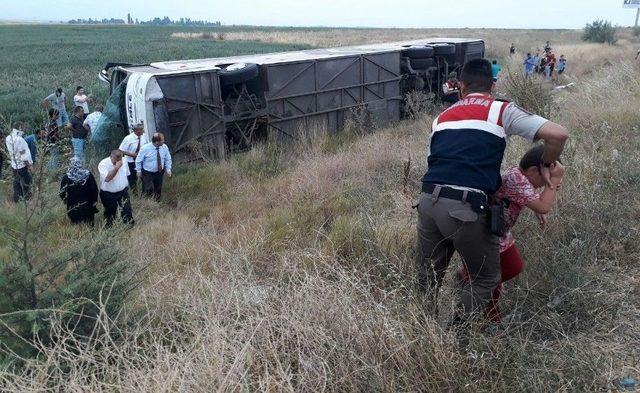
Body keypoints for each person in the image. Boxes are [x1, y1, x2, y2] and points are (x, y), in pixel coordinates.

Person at [415, 59, 568, 328]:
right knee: (485, 277)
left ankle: (422, 333)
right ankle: (457, 335)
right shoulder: (501, 110)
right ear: (493, 85)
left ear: (461, 87)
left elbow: (435, 161)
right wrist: (545, 164)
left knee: (429, 277)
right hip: (466, 207)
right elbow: (558, 134)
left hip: (428, 201)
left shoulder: (441, 118)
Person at [458, 145, 566, 322]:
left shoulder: (518, 175)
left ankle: (469, 278)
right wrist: (554, 180)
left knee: (511, 267)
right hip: (485, 233)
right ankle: (490, 317)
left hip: (497, 230)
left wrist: (537, 205)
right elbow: (544, 206)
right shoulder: (518, 180)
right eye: (546, 177)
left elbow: (529, 197)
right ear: (533, 171)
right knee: (493, 278)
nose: (549, 183)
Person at [98, 150, 134, 227]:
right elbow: (107, 179)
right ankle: (109, 229)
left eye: (120, 160)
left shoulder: (124, 160)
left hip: (123, 191)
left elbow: (127, 174)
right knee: (110, 213)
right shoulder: (103, 164)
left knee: (127, 210)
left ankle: (129, 228)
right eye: (115, 160)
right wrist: (116, 168)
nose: (118, 162)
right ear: (111, 157)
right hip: (108, 193)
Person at [59, 157, 99, 225]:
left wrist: (66, 200)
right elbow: (94, 189)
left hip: (73, 205)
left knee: (75, 225)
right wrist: (94, 200)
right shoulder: (88, 175)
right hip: (87, 203)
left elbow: (62, 192)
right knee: (89, 225)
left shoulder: (67, 177)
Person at [135, 132, 172, 201]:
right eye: (162, 140)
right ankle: (146, 202)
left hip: (159, 172)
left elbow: (168, 158)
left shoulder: (164, 147)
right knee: (149, 188)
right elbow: (138, 160)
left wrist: (168, 169)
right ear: (157, 142)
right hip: (148, 172)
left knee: (158, 188)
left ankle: (157, 203)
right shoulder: (145, 148)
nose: (164, 141)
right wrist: (138, 171)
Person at [5, 122, 33, 203]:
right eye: (23, 128)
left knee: (16, 183)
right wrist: (29, 166)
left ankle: (17, 201)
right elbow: (23, 154)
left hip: (14, 165)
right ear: (20, 128)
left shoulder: (8, 138)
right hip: (22, 165)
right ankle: (27, 202)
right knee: (26, 184)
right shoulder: (20, 140)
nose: (24, 129)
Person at [119, 123, 149, 191]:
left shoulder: (144, 136)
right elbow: (121, 150)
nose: (142, 131)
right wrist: (133, 155)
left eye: (142, 129)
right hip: (131, 161)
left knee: (144, 177)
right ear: (136, 130)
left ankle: (144, 193)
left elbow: (147, 146)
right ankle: (134, 193)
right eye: (141, 130)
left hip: (142, 160)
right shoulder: (128, 138)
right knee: (132, 179)